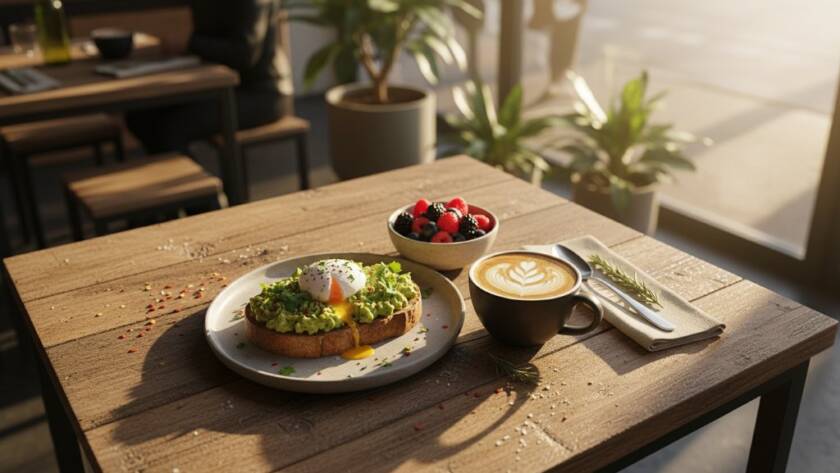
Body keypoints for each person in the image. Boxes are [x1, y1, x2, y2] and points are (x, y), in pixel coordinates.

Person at [126, 0, 292, 154]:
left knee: (173, 127)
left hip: (261, 92)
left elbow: (244, 55)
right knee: (140, 116)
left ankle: (192, 184)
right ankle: (179, 178)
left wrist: (189, 43)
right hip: (218, 85)